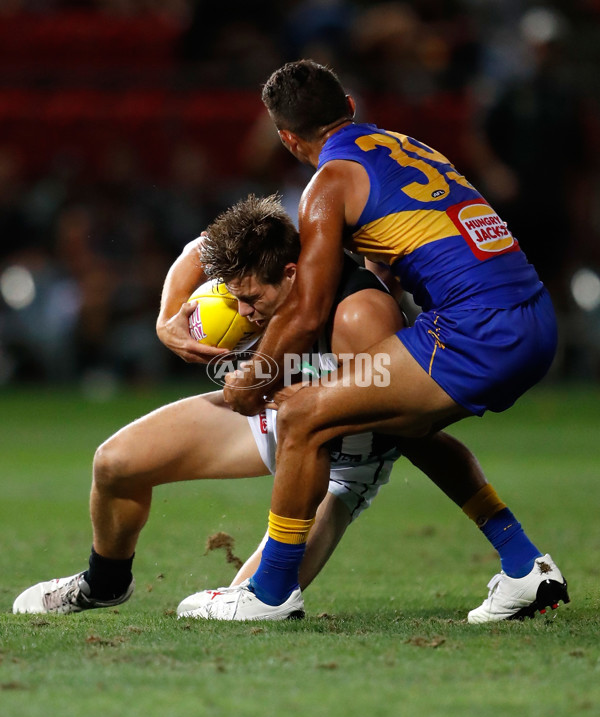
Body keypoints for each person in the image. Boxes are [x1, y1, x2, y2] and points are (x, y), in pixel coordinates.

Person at [181, 60, 569, 623]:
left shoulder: (328, 184)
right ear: (352, 110)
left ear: (287, 139)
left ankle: (267, 594)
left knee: (299, 415)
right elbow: (397, 263)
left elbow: (309, 305)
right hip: (534, 317)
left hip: (476, 333)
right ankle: (523, 564)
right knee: (396, 421)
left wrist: (258, 375)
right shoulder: (406, 147)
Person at [12, 194, 491, 617]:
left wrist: (271, 388)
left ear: (289, 273)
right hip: (275, 413)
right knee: (115, 463)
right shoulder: (257, 256)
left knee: (254, 606)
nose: (243, 312)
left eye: (250, 298)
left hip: (343, 457)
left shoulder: (359, 312)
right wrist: (166, 321)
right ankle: (105, 583)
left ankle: (272, 585)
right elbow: (193, 252)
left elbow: (387, 401)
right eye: (235, 297)